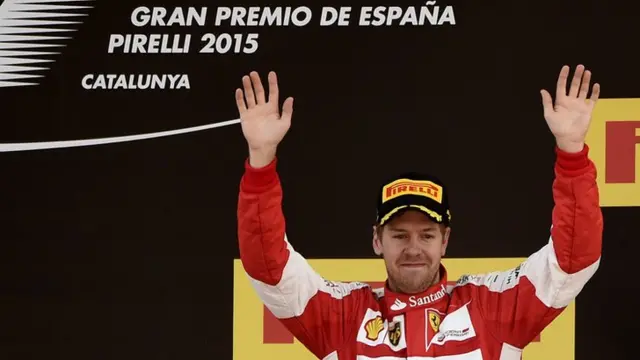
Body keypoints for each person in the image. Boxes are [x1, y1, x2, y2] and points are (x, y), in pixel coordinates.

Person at [235, 65, 603, 359]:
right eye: (399, 235)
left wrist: (571, 154)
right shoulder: (342, 317)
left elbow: (572, 260)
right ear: (377, 240)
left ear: (445, 241)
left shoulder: (492, 308)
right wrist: (261, 161)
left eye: (426, 235)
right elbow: (271, 271)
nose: (413, 248)